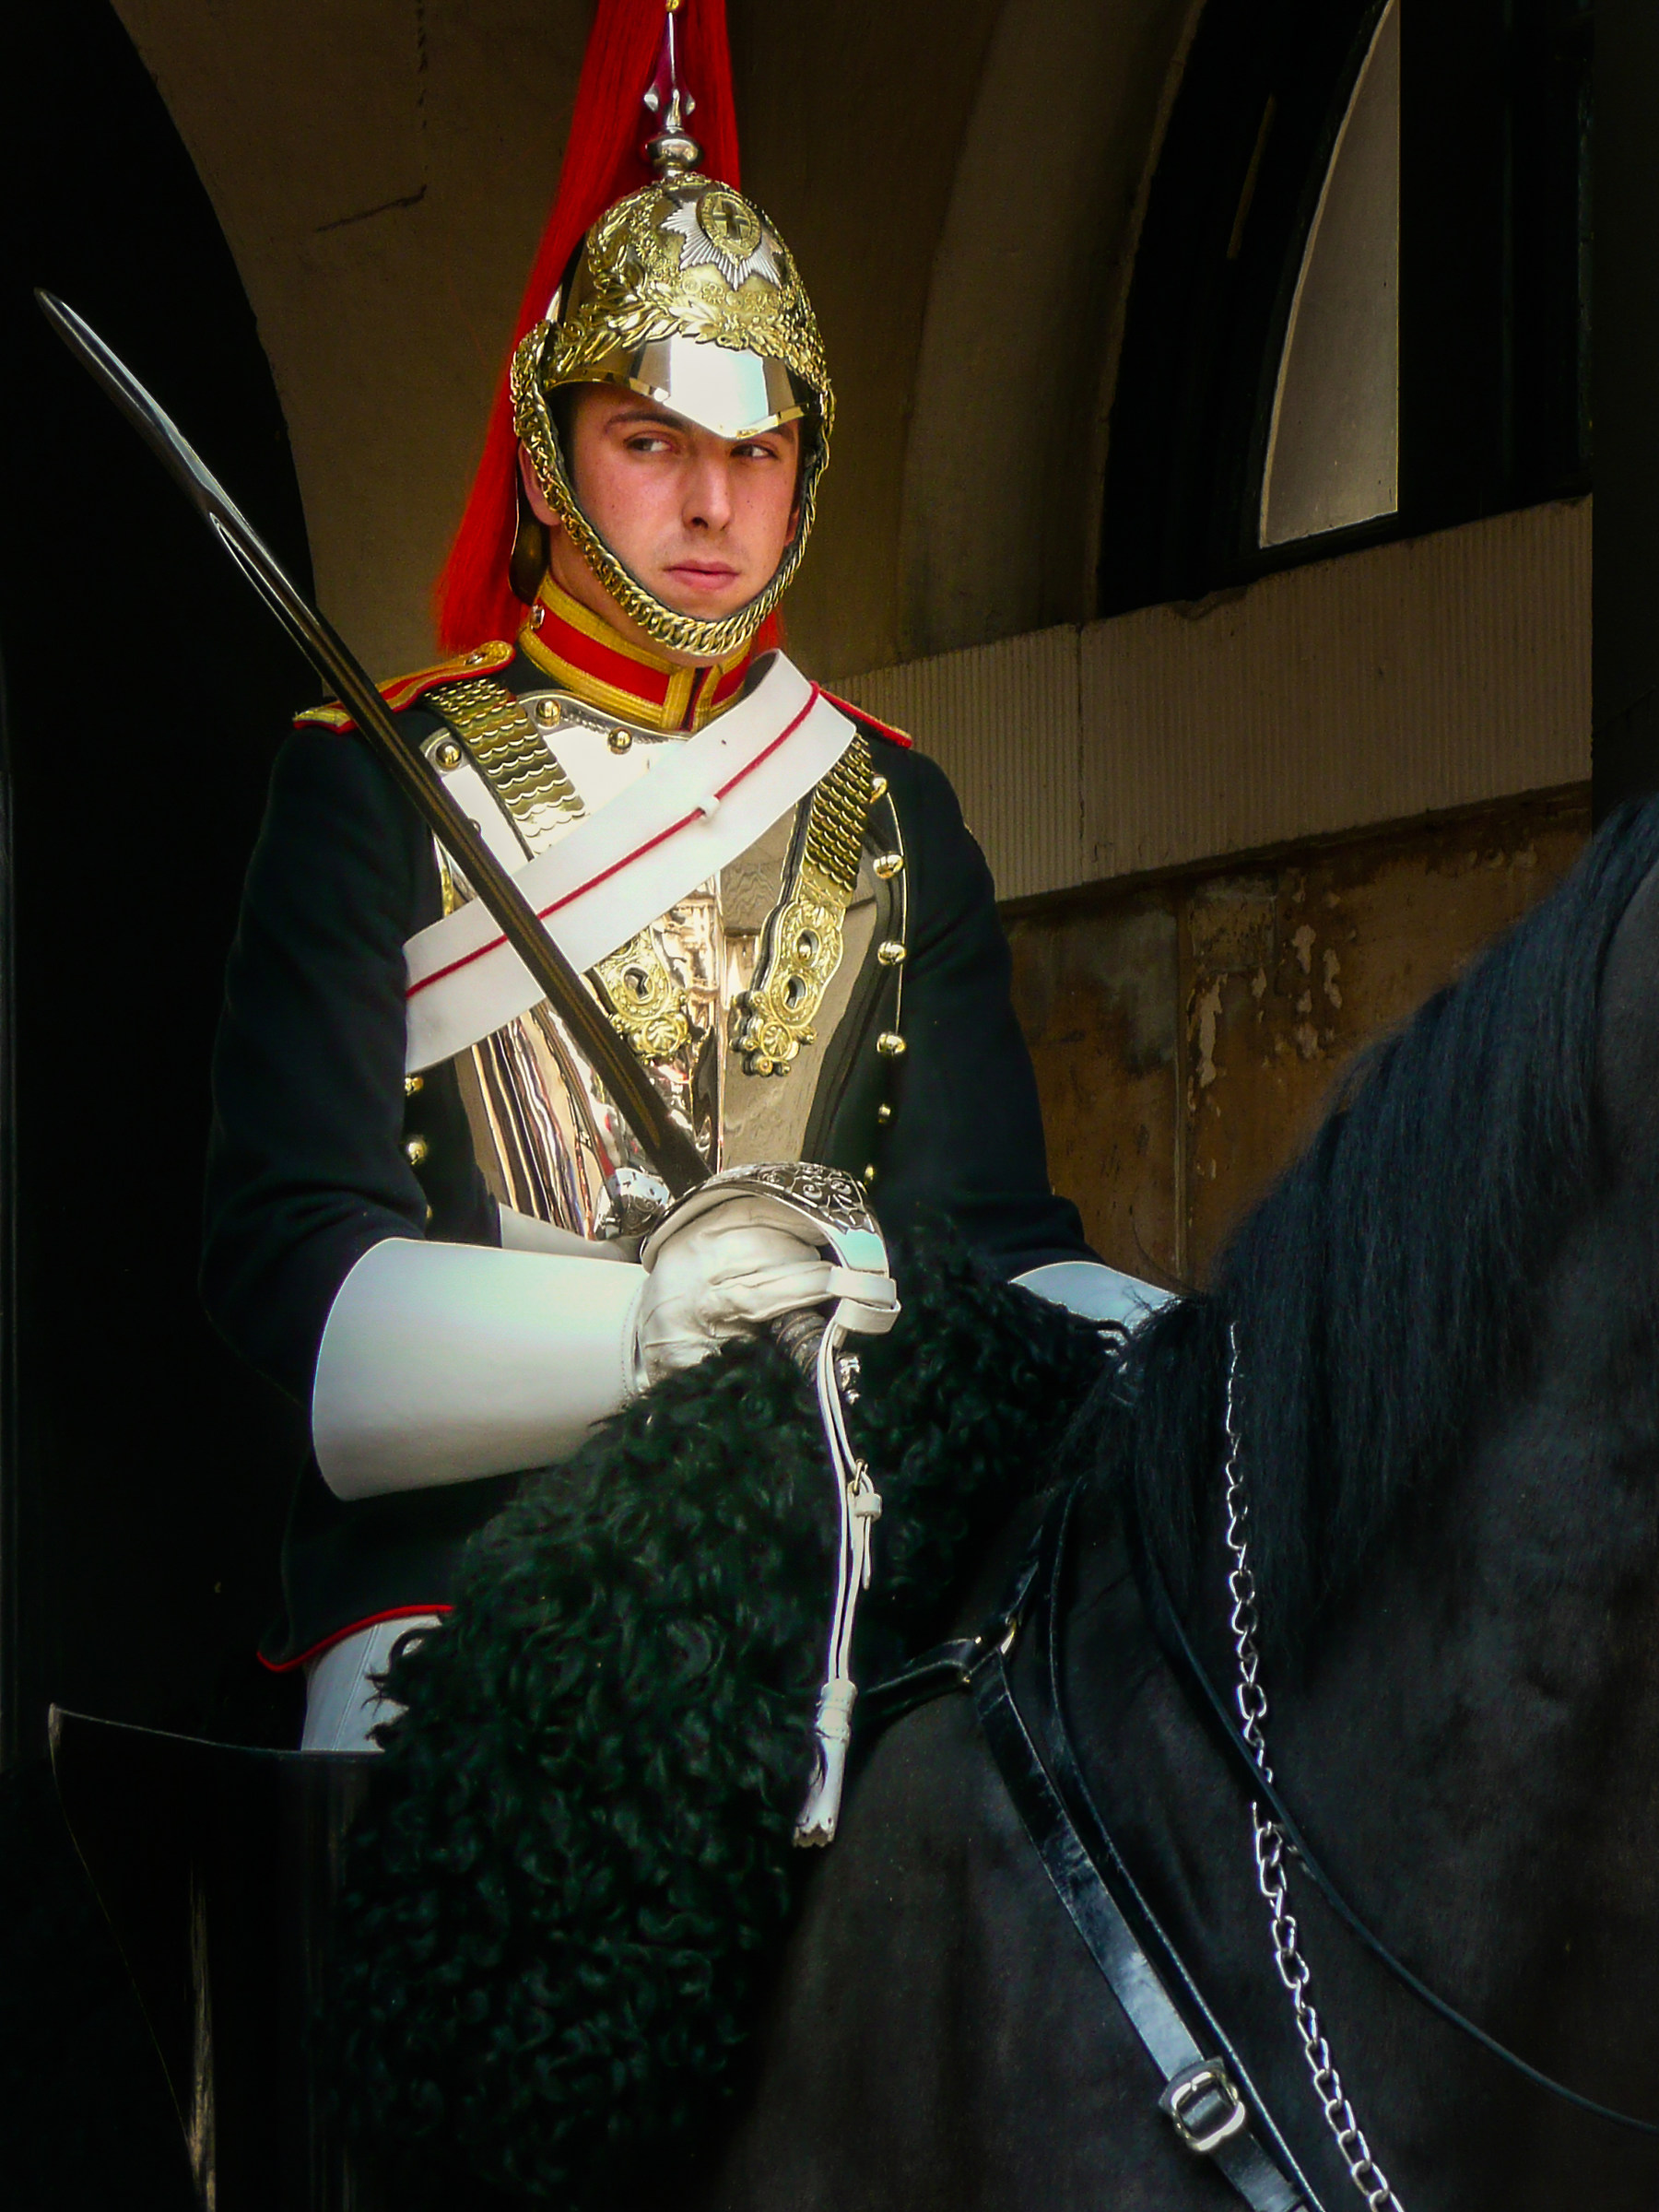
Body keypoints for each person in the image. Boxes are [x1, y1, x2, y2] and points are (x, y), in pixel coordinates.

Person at [201, 0, 1162, 1754]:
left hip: (830, 1561)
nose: (713, 504)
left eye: (757, 450)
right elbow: (288, 1267)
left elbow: (993, 1244)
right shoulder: (373, 783)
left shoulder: (892, 806)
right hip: (463, 1564)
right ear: (551, 451)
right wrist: (644, 1330)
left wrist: (1159, 1334)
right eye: (654, 442)